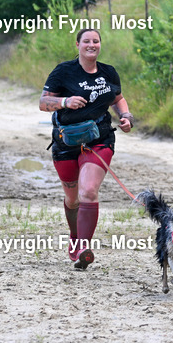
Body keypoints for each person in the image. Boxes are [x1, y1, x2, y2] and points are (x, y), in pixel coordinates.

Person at [41, 28, 133, 269]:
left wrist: (125, 115)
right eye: (86, 41)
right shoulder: (64, 71)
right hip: (66, 143)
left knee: (89, 191)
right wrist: (65, 102)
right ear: (78, 44)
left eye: (96, 41)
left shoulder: (108, 72)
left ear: (100, 45)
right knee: (72, 199)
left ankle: (83, 246)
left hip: (98, 139)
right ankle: (74, 237)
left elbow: (117, 98)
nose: (91, 45)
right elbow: (43, 103)